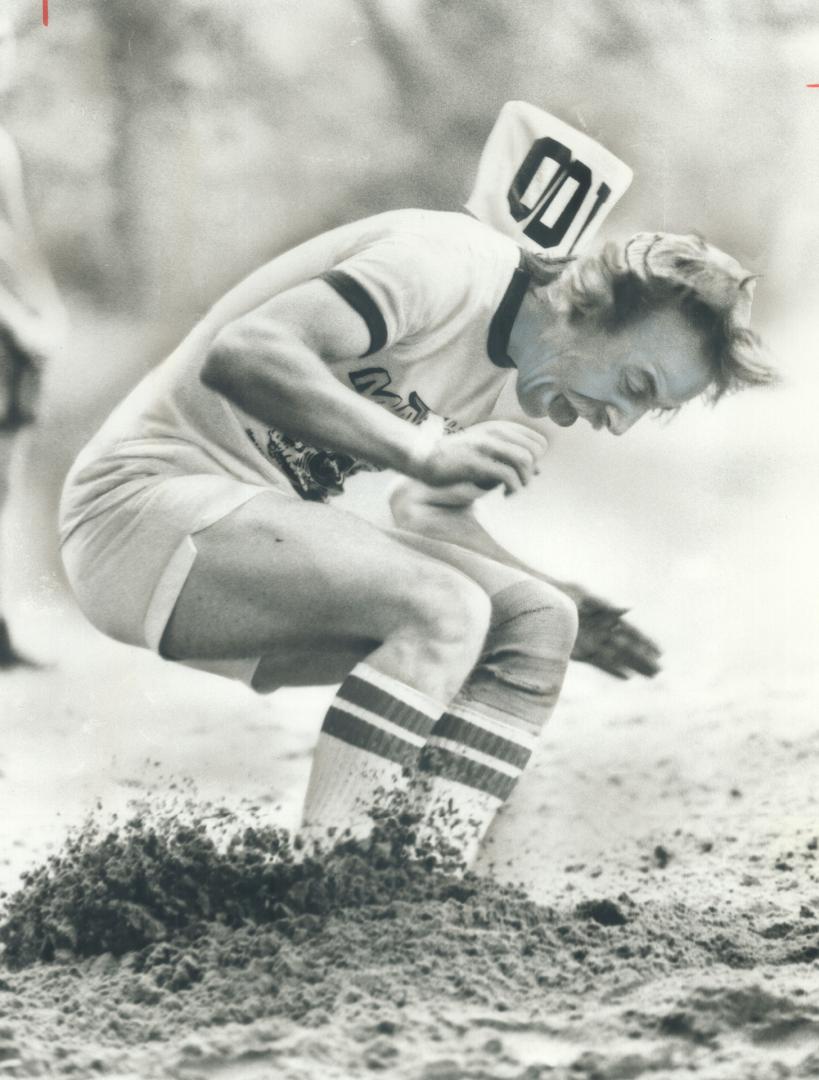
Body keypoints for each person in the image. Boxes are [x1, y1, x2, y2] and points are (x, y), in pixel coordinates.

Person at [58, 207, 772, 864]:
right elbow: (245, 353)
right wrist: (423, 450)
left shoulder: (503, 355)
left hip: (226, 531)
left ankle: (422, 882)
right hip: (136, 511)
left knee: (534, 620)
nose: (618, 422)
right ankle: (332, 884)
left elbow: (424, 512)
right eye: (638, 385)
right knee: (443, 608)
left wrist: (561, 597)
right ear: (590, 305)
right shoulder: (447, 265)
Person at [0, 11, 66, 667]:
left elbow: (18, 246)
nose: (6, 57)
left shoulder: (3, 146)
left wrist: (47, 313)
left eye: (8, 44)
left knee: (5, 475)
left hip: (10, 339)